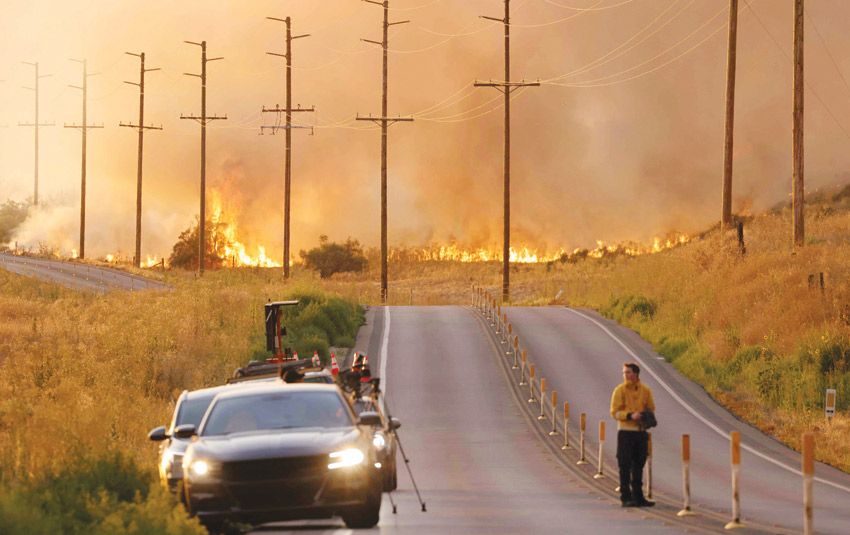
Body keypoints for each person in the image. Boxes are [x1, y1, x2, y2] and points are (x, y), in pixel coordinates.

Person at [610, 362, 656, 508]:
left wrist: (645, 416)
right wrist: (630, 415)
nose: (626, 375)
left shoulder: (646, 390)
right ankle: (625, 496)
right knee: (624, 465)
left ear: (636, 374)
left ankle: (638, 496)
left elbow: (651, 408)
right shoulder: (619, 390)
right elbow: (614, 412)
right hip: (625, 432)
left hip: (641, 432)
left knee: (638, 464)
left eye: (628, 372)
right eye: (624, 373)